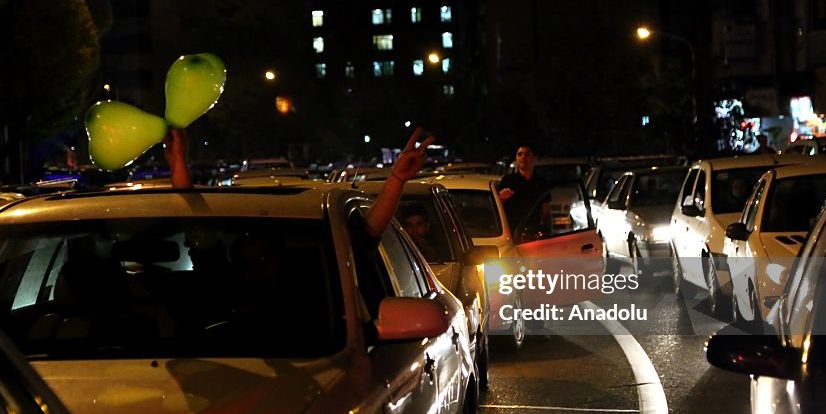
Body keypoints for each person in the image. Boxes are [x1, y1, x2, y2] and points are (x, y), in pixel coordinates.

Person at [164, 126, 435, 239]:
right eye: (249, 258)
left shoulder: (331, 270)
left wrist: (397, 179)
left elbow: (368, 233)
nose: (257, 265)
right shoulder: (226, 284)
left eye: (260, 257)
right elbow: (196, 228)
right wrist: (178, 164)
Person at [497, 145, 551, 237]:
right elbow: (498, 208)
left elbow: (546, 211)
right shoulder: (508, 180)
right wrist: (502, 198)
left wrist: (547, 232)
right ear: (516, 158)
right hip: (511, 233)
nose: (523, 157)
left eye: (527, 154)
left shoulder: (541, 182)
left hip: (534, 232)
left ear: (534, 158)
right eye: (520, 154)